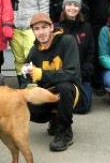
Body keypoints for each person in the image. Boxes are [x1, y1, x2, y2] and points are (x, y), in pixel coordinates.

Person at [24, 12, 80, 152]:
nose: (41, 32)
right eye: (36, 29)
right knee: (25, 102)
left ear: (51, 27)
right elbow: (30, 79)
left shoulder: (67, 41)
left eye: (44, 27)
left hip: (71, 91)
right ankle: (55, 120)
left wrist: (41, 74)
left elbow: (72, 73)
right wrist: (29, 78)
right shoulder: (33, 51)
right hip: (47, 93)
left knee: (64, 87)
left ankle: (66, 132)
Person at [6, 0, 49, 88]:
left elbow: (43, 1)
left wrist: (44, 24)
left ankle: (33, 84)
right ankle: (23, 85)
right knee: (19, 58)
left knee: (31, 56)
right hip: (15, 24)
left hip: (33, 24)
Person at [57, 0, 95, 114]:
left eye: (75, 5)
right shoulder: (57, 28)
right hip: (65, 76)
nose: (72, 8)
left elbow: (91, 52)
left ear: (79, 8)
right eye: (69, 4)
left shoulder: (86, 27)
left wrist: (85, 71)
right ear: (64, 7)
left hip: (83, 76)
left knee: (84, 107)